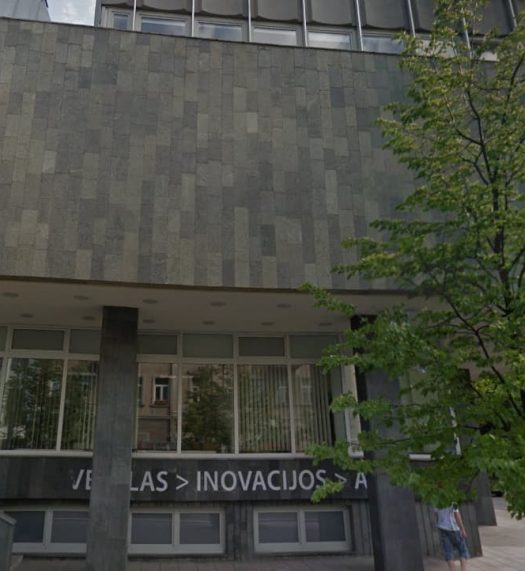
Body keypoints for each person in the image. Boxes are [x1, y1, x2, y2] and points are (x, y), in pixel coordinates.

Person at [434, 504, 469, 570]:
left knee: (448, 552)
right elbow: (457, 515)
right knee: (462, 551)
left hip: (443, 528)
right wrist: (462, 529)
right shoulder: (453, 501)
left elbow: (436, 514)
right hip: (455, 529)